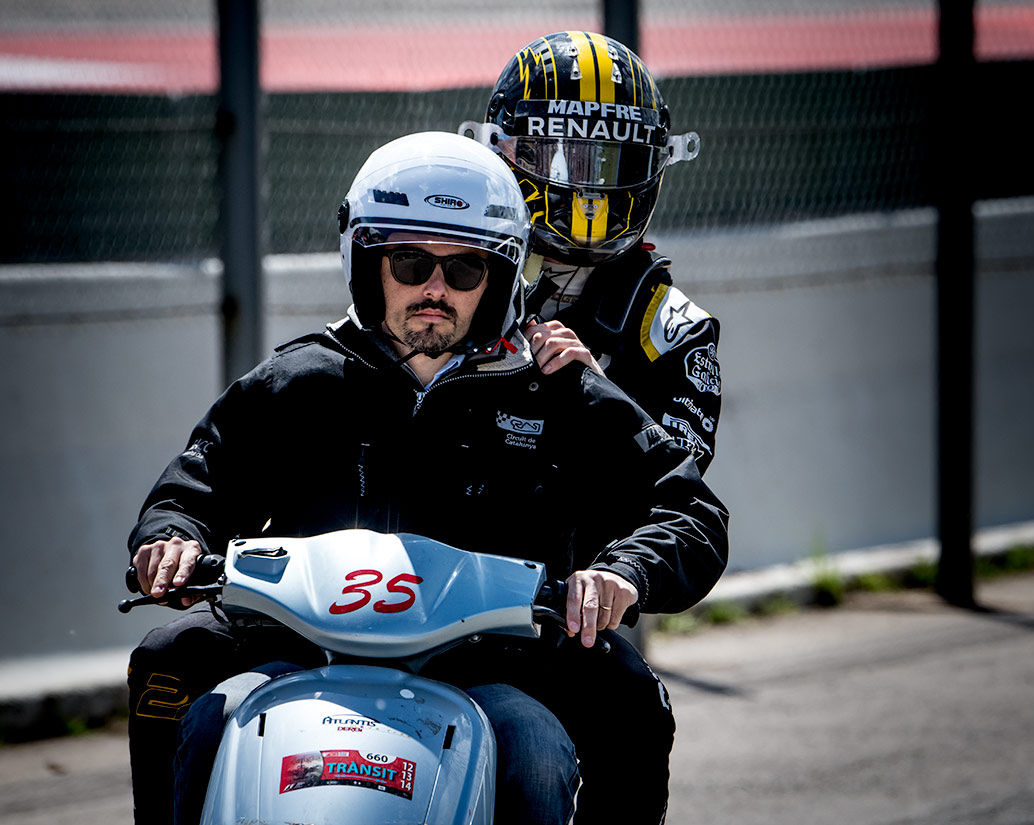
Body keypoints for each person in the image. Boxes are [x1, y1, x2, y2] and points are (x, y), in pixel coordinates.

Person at [123, 131, 728, 825]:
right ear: (369, 263)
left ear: (499, 277)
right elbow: (197, 478)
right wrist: (172, 533)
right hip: (299, 645)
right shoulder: (298, 378)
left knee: (581, 722)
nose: (434, 288)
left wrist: (623, 570)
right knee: (171, 664)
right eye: (409, 262)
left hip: (499, 661)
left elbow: (691, 509)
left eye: (464, 269)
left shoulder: (558, 387)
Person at [467, 31, 721, 476]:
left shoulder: (673, 328)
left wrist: (599, 393)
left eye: (609, 163)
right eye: (561, 159)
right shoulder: (458, 275)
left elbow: (683, 482)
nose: (588, 193)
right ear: (504, 152)